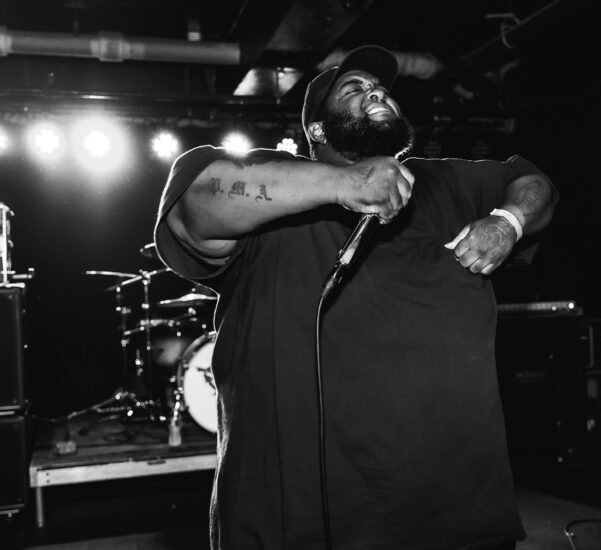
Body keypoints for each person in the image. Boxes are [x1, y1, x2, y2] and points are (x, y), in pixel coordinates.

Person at [154, 44, 557, 550]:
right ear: (318, 130)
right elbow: (195, 207)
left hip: (461, 519)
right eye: (355, 89)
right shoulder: (273, 180)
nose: (377, 92)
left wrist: (507, 222)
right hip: (301, 526)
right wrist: (348, 182)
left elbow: (534, 182)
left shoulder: (445, 180)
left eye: (381, 88)